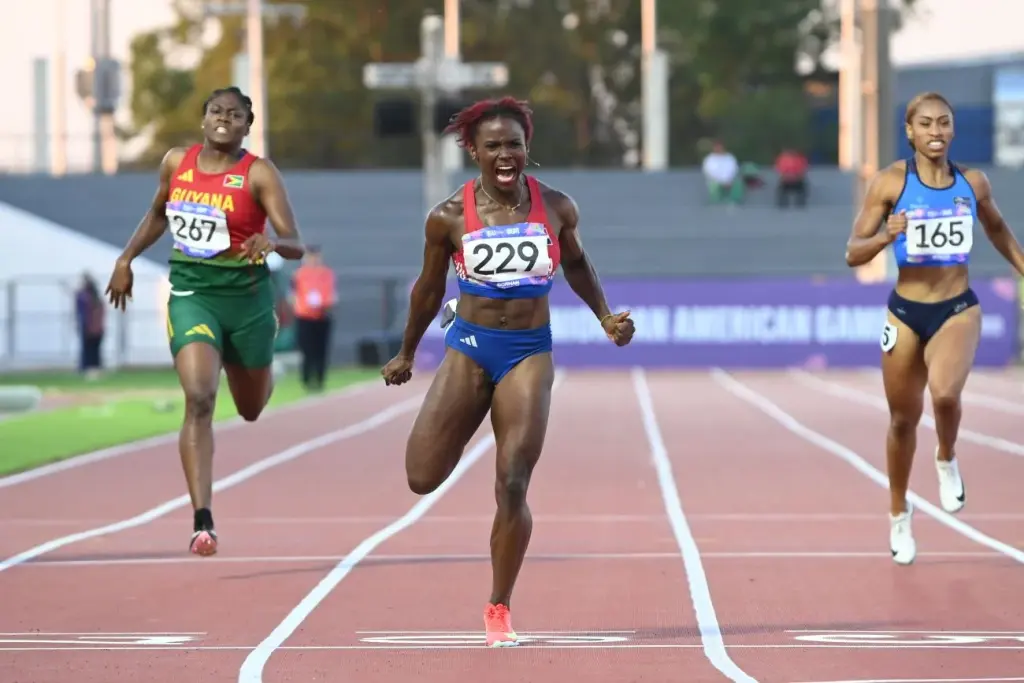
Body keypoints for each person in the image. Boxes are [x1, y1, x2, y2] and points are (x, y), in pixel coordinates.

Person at [380, 96, 635, 647]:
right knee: (421, 477)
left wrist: (606, 317)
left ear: (527, 149)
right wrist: (406, 352)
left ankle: (499, 605)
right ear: (472, 150)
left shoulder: (557, 206)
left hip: (528, 351)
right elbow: (428, 291)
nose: (504, 155)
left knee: (513, 478)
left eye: (513, 145)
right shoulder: (448, 217)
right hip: (470, 347)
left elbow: (575, 264)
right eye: (492, 145)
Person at [105, 86, 306, 556]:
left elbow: (294, 239)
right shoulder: (177, 163)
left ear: (246, 126)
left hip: (249, 301)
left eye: (234, 115)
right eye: (216, 111)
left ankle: (258, 367)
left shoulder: (258, 173)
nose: (224, 119)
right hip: (193, 294)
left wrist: (274, 244)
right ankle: (203, 519)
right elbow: (158, 214)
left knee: (251, 408)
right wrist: (126, 258)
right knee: (199, 398)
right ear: (203, 119)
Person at [844, 91, 1024, 566]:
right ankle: (899, 512)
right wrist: (888, 234)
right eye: (925, 124)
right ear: (910, 131)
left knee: (945, 395)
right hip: (905, 312)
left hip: (956, 307)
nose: (936, 131)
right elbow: (852, 252)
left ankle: (946, 456)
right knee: (902, 420)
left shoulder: (974, 183)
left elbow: (998, 230)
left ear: (953, 128)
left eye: (944, 122)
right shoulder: (890, 183)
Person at [289, 246, 336, 391]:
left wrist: (326, 304)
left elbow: (331, 294)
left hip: (323, 315)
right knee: (306, 350)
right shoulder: (299, 274)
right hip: (304, 316)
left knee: (321, 350)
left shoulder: (327, 274)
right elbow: (293, 294)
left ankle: (320, 379)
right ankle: (307, 380)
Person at [74, 272, 105, 379]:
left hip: (90, 328)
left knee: (89, 350)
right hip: (97, 328)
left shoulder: (87, 298)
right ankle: (94, 369)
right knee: (94, 350)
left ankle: (90, 370)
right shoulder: (95, 298)